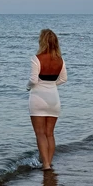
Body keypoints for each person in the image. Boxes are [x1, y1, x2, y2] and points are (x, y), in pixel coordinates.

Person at [27, 28, 67, 170]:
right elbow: (63, 79)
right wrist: (51, 85)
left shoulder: (36, 58)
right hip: (53, 98)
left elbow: (33, 80)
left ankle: (45, 164)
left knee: (40, 133)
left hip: (38, 98)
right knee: (50, 133)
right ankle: (49, 163)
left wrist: (28, 87)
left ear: (42, 41)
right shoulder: (60, 60)